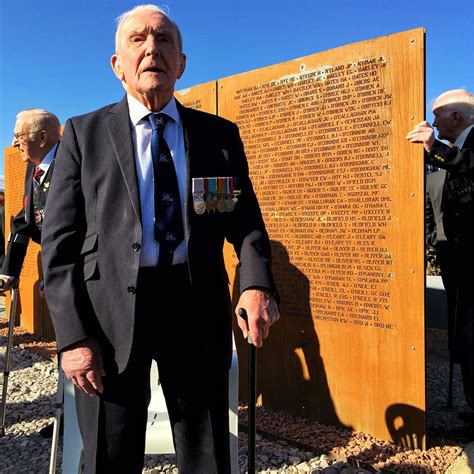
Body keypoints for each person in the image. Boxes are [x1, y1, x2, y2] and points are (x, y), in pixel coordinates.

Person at [41, 5, 279, 473]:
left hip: (195, 307)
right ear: (117, 65)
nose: (152, 48)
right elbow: (59, 247)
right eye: (137, 39)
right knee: (111, 454)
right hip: (108, 319)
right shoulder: (82, 136)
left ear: (182, 62)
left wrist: (255, 283)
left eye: (164, 39)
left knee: (209, 452)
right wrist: (72, 338)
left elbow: (245, 223)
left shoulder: (219, 137)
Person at [406, 88, 474, 440]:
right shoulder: (456, 148)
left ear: (456, 117)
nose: (433, 122)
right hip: (457, 261)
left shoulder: (468, 145)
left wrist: (434, 147)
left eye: (437, 115)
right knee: (464, 337)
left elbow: (468, 165)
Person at [0, 109, 61, 291]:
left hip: (76, 273)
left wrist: (59, 276)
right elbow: (25, 220)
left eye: (19, 136)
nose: (14, 143)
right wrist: (9, 271)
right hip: (53, 275)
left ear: (42, 138)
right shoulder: (33, 169)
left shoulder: (72, 162)